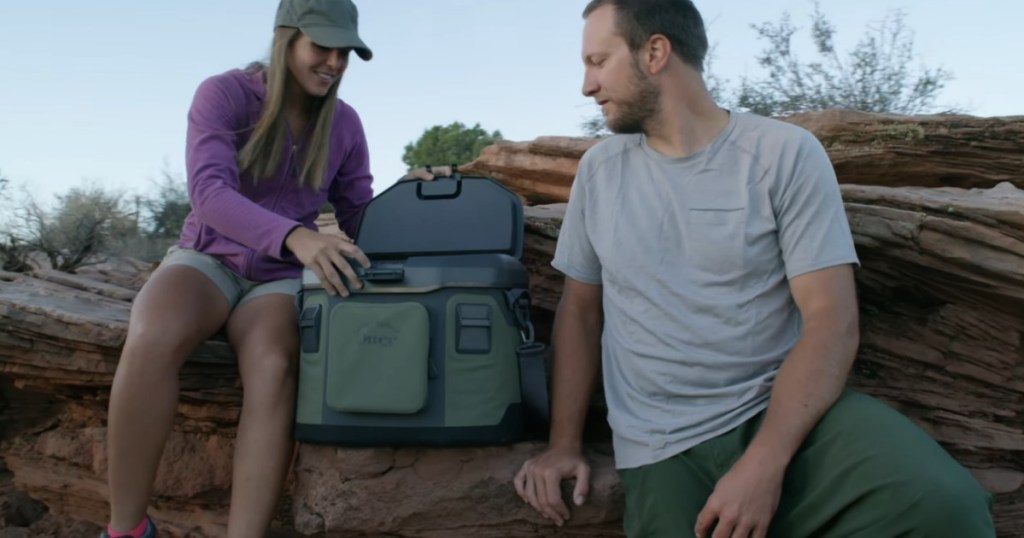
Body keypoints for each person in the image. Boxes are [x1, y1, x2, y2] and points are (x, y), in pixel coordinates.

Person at [513, 1, 996, 537]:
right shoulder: (600, 174)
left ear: (654, 52)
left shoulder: (783, 153)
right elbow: (580, 312)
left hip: (786, 412)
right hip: (662, 446)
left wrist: (764, 465)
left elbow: (831, 321)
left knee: (944, 507)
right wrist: (563, 445)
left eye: (598, 61)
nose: (587, 84)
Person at [101, 1, 446, 537]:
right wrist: (296, 234)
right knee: (152, 330)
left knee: (274, 365)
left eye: (345, 52)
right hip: (207, 257)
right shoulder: (224, 94)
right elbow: (209, 194)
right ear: (287, 38)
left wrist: (413, 197)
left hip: (280, 279)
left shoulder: (345, 124)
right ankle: (126, 529)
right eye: (321, 47)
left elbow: (359, 215)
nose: (333, 62)